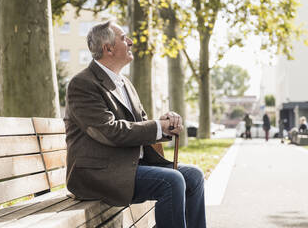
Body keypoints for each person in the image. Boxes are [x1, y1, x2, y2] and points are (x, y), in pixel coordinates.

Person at [63, 21, 206, 228]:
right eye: (123, 38)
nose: (130, 42)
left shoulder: (125, 83)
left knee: (194, 175)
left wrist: (166, 123)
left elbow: (142, 124)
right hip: (98, 173)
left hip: (130, 166)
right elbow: (109, 131)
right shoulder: (83, 84)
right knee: (172, 181)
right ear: (108, 48)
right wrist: (158, 126)